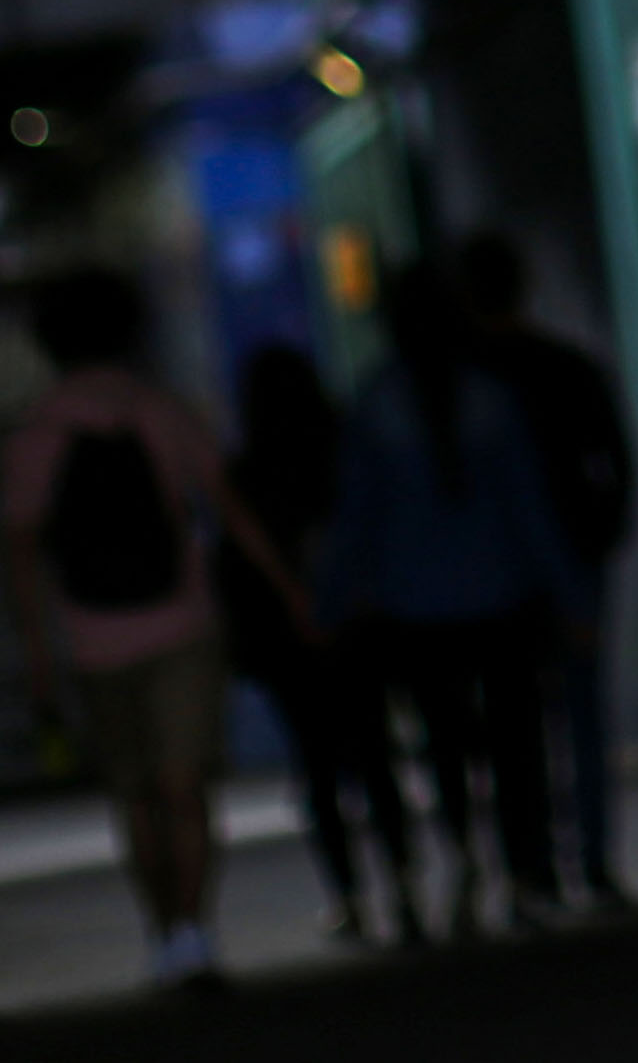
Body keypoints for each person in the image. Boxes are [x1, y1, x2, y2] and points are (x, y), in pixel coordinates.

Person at [0, 266, 307, 992]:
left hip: (94, 638)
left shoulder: (39, 433)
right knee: (186, 789)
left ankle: (165, 932)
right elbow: (229, 510)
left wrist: (39, 655)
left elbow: (20, 553)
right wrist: (291, 592)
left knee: (134, 795)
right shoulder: (162, 411)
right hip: (183, 627)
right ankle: (196, 933)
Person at [318, 258, 590, 939]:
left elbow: (355, 517)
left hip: (412, 606)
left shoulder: (378, 401)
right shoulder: (491, 398)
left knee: (443, 745)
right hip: (501, 595)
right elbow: (531, 507)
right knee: (518, 741)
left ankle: (466, 857)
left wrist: (334, 600)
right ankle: (527, 873)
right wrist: (569, 594)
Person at [453, 230, 637, 905]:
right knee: (582, 714)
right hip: (574, 556)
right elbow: (614, 461)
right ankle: (591, 859)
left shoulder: (459, 379)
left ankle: (529, 869)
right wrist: (601, 536)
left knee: (512, 724)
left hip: (494, 572)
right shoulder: (565, 365)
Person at [217, 344, 422, 946]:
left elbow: (237, 568)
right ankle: (404, 883)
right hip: (360, 627)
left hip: (288, 640)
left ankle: (349, 896)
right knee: (375, 758)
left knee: (318, 772)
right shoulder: (344, 452)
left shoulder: (248, 471)